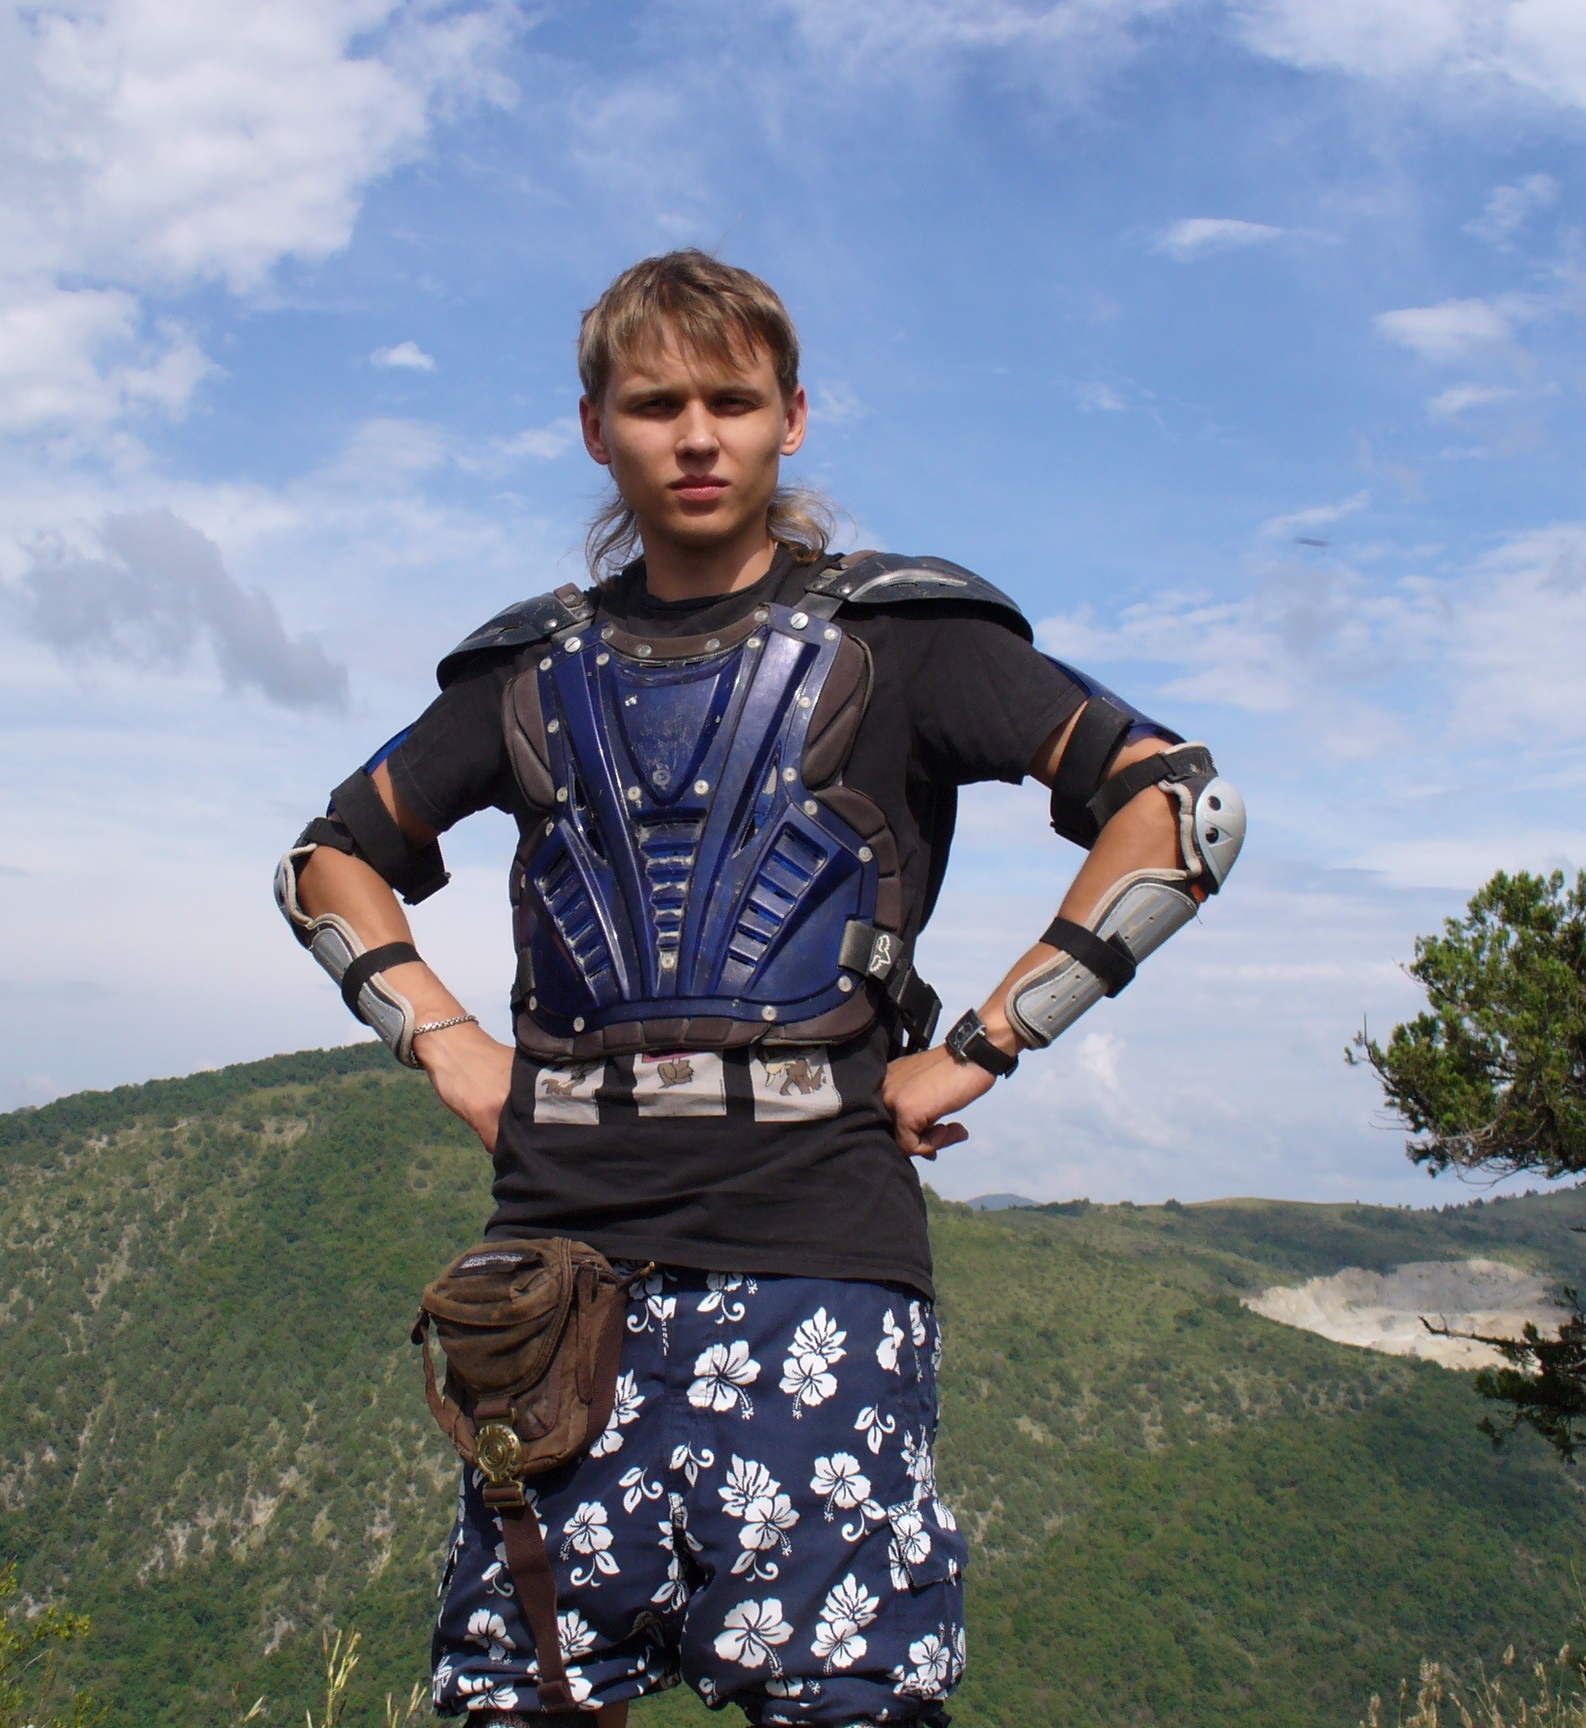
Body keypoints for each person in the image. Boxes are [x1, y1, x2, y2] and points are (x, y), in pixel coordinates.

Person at [275, 252, 1243, 1728]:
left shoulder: (907, 642)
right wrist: (452, 1046)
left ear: (792, 417)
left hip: (816, 1258)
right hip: (555, 1282)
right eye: (654, 403)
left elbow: (1176, 808)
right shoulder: (529, 672)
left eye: (731, 401)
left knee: (845, 1700)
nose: (696, 436)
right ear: (595, 428)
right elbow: (330, 859)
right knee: (519, 1696)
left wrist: (982, 1045)